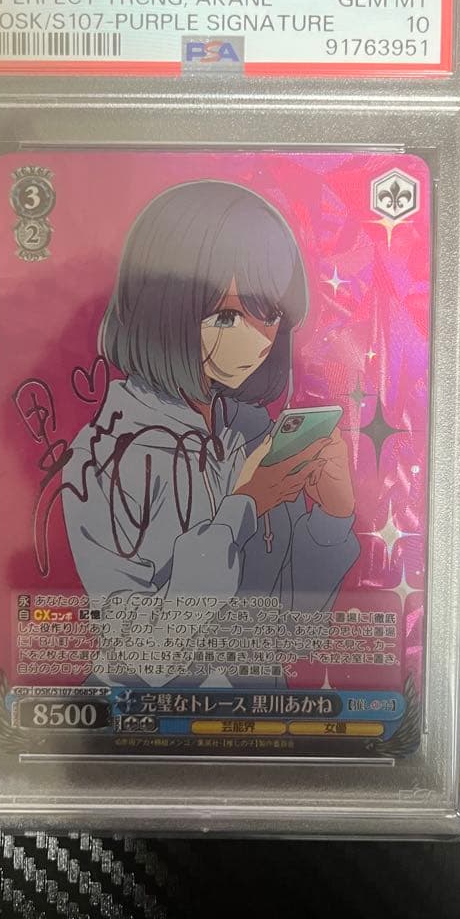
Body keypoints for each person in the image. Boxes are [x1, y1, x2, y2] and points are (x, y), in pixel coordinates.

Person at [62, 179, 359, 686]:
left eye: (269, 315)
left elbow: (291, 631)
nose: (258, 340)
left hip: (257, 718)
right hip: (144, 722)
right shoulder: (106, 456)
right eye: (226, 316)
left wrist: (332, 520)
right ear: (163, 311)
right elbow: (146, 656)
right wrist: (242, 509)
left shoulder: (252, 437)